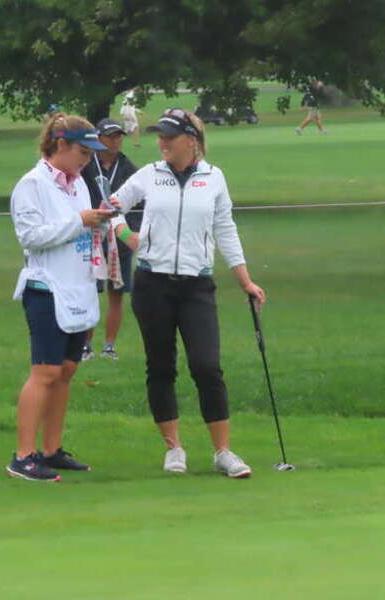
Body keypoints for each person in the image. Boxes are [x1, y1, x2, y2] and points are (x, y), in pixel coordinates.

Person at [108, 108, 266, 478]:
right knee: (161, 366)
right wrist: (125, 234)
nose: (162, 142)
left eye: (170, 136)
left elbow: (225, 228)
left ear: (191, 141)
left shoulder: (214, 178)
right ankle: (173, 448)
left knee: (207, 366)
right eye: (160, 136)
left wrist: (245, 280)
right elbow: (111, 207)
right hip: (152, 283)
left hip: (197, 285)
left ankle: (223, 451)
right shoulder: (150, 174)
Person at [7, 112, 113, 481]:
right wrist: (80, 221)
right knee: (46, 371)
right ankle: (23, 456)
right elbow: (31, 236)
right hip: (46, 287)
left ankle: (51, 450)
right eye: (83, 152)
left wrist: (98, 224)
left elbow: (80, 229)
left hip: (77, 286)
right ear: (61, 144)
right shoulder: (32, 184)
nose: (88, 160)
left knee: (67, 370)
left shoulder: (79, 184)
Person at [80, 118, 143, 360]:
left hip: (119, 241)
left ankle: (109, 346)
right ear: (98, 139)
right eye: (110, 136)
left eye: (118, 136)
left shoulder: (129, 168)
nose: (115, 141)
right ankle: (86, 345)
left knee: (117, 293)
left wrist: (129, 233)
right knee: (89, 292)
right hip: (90, 238)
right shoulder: (86, 165)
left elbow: (140, 205)